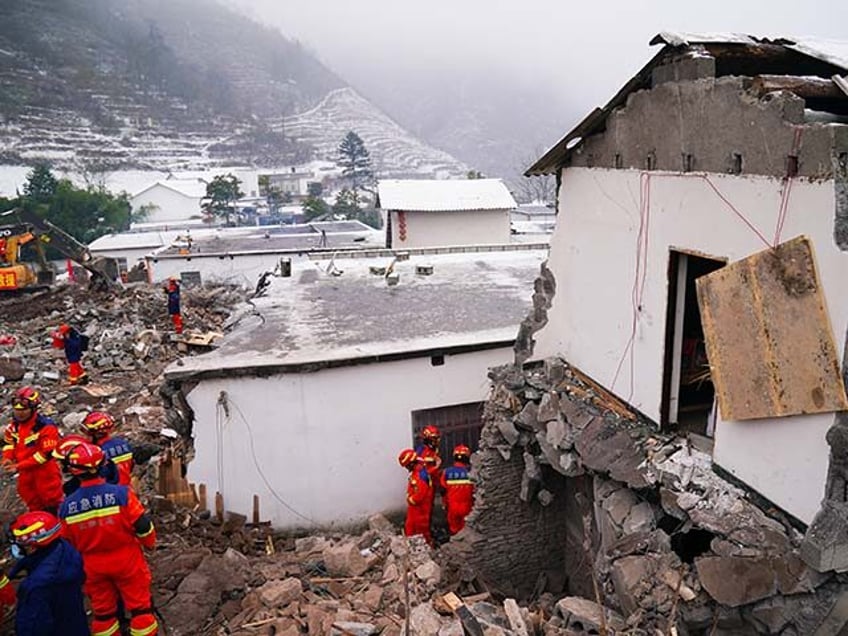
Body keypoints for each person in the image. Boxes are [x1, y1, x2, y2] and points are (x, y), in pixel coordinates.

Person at [58, 442, 158, 636]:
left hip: (92, 565)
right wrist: (150, 544)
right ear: (103, 464)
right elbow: (142, 526)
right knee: (140, 609)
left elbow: (67, 542)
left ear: (73, 471)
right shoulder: (121, 494)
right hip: (127, 560)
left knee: (103, 614)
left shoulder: (66, 507)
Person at [6, 510, 89, 636]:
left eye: (21, 545)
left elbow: (32, 626)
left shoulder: (36, 587)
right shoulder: (65, 549)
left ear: (32, 546)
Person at [2, 387, 64, 514]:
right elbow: (9, 443)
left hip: (45, 472)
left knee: (53, 501)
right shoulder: (14, 427)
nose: (20, 413)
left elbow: (45, 455)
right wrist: (7, 458)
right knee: (31, 500)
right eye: (17, 410)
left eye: (24, 409)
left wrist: (18, 466)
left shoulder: (45, 427)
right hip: (25, 473)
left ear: (33, 408)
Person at [80, 411, 133, 486]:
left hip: (110, 491)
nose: (85, 436)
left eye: (87, 433)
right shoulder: (124, 444)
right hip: (128, 491)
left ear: (97, 433)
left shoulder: (97, 452)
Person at [398, 448, 433, 546]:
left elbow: (419, 496)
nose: (407, 468)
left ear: (412, 463)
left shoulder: (420, 475)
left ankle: (427, 549)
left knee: (420, 531)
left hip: (420, 509)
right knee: (411, 528)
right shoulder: (418, 471)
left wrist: (410, 499)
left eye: (407, 466)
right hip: (415, 509)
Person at [440, 444, 475, 535]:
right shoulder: (472, 471)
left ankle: (456, 546)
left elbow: (443, 490)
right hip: (468, 507)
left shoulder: (446, 472)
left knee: (454, 531)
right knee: (467, 531)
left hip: (452, 507)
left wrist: (445, 505)